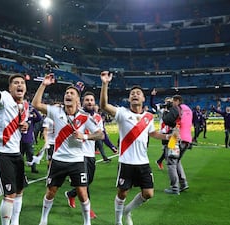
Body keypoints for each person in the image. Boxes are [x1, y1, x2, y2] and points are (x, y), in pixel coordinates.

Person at [99, 71, 172, 225]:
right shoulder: (121, 113)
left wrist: (167, 137)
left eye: (138, 93)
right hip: (126, 161)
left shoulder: (149, 117)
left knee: (148, 193)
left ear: (143, 98)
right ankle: (119, 220)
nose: (135, 95)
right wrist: (105, 83)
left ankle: (127, 211)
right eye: (132, 93)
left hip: (143, 163)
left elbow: (152, 133)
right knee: (122, 193)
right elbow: (104, 105)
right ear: (129, 98)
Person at [32, 75, 104, 225]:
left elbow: (100, 134)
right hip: (58, 159)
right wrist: (44, 85)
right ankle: (43, 219)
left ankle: (86, 222)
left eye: (72, 93)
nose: (68, 95)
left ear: (78, 100)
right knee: (51, 191)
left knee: (83, 193)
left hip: (77, 161)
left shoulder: (84, 117)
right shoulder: (56, 111)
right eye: (66, 93)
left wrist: (84, 136)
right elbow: (36, 103)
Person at [0, 42, 29, 225]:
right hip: (2, 154)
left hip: (16, 154)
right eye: (16, 83)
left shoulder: (24, 105)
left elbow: (20, 125)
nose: (20, 85)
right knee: (9, 194)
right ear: (10, 88)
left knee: (19, 191)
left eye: (22, 83)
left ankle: (15, 222)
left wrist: (24, 125)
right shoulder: (4, 98)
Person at [64, 91, 104, 219]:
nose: (89, 102)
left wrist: (112, 146)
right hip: (79, 154)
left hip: (90, 153)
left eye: (91, 100)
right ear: (82, 102)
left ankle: (71, 194)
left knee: (89, 180)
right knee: (85, 183)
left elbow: (101, 134)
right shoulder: (77, 115)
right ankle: (88, 210)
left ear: (94, 103)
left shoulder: (98, 118)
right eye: (87, 100)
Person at [162, 95, 193, 195]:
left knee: (171, 163)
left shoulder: (177, 108)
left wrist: (166, 111)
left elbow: (167, 120)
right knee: (177, 161)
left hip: (176, 138)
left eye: (173, 101)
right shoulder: (188, 109)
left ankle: (174, 188)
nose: (172, 104)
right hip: (187, 138)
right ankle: (183, 183)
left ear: (177, 101)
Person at [150, 88, 173, 170]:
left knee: (171, 147)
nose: (169, 103)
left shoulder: (173, 109)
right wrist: (152, 96)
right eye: (168, 101)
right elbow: (152, 105)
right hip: (164, 132)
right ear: (165, 101)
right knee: (168, 148)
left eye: (170, 101)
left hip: (172, 131)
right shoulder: (162, 108)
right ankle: (170, 165)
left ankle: (160, 161)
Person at [21, 104, 42, 173]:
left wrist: (33, 109)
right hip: (20, 140)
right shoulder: (19, 118)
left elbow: (39, 118)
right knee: (20, 155)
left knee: (30, 155)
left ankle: (33, 168)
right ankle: (19, 169)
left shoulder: (31, 119)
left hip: (28, 140)